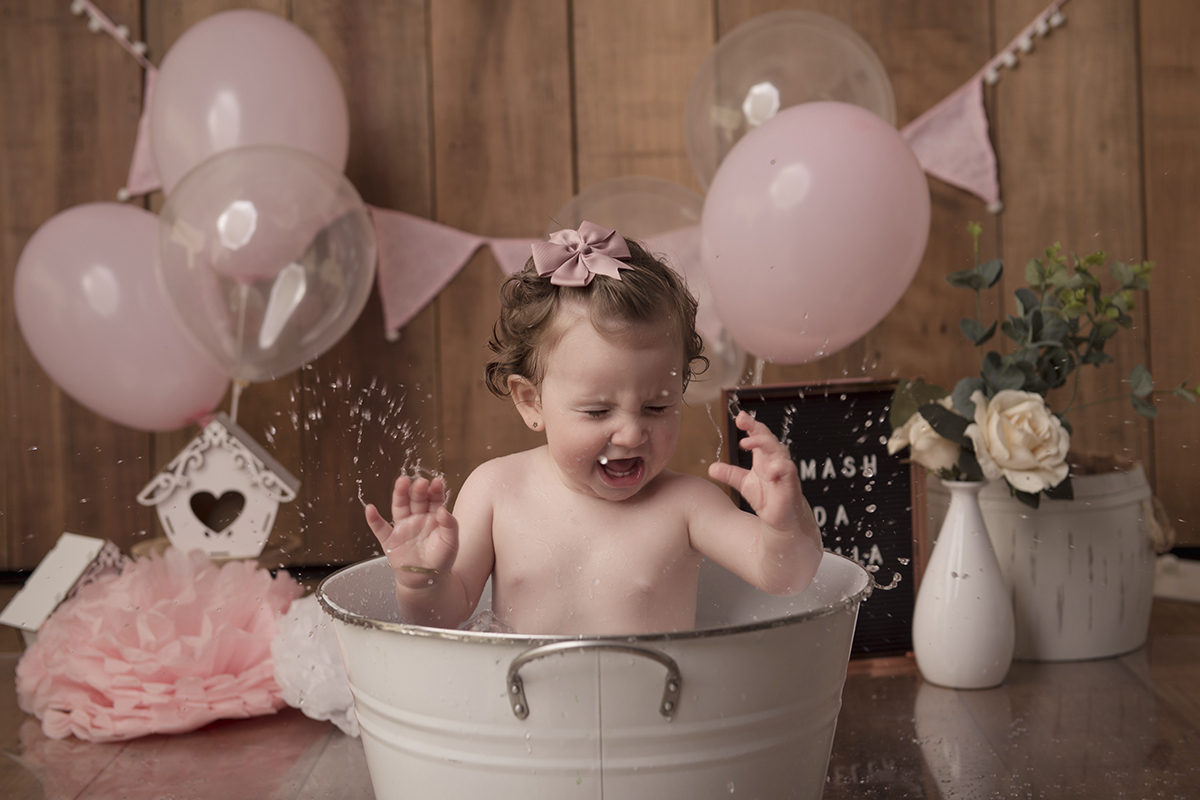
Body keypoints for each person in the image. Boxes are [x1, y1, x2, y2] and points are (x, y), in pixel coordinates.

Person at [365, 221, 823, 635]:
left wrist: (787, 521)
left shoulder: (688, 506)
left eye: (657, 408)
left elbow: (786, 579)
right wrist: (422, 579)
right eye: (598, 412)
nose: (630, 434)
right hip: (523, 720)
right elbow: (441, 618)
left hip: (656, 718)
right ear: (531, 402)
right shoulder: (497, 491)